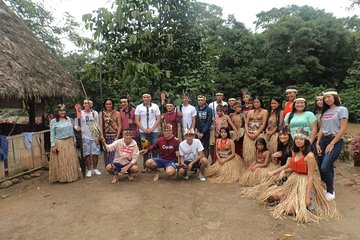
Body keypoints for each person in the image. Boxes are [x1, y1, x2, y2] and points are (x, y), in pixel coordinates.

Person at [257, 128, 339, 223]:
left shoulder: (310, 156)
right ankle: (288, 199)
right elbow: (293, 168)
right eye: (296, 138)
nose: (298, 141)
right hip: (293, 180)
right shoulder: (294, 151)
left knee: (288, 210)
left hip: (304, 183)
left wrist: (307, 196)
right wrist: (284, 171)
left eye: (301, 139)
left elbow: (311, 176)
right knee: (275, 195)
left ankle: (298, 203)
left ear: (306, 141)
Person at [316, 89, 348, 201]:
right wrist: (317, 143)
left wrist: (332, 143)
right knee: (321, 165)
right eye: (325, 98)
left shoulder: (342, 110)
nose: (327, 99)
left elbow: (343, 128)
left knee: (325, 167)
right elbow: (322, 128)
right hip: (323, 140)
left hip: (335, 140)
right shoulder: (325, 112)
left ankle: (330, 190)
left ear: (335, 97)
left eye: (329, 97)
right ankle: (325, 187)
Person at [49, 104, 79, 183]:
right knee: (62, 161)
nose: (62, 112)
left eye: (63, 110)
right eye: (60, 111)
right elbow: (52, 134)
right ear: (58, 112)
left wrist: (74, 140)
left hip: (69, 142)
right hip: (60, 143)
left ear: (65, 111)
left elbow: (72, 131)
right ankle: (62, 177)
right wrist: (53, 145)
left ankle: (71, 176)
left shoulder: (68, 119)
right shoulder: (53, 121)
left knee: (69, 160)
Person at [135, 93, 161, 172]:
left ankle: (154, 165)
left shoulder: (155, 106)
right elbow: (136, 120)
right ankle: (145, 166)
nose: (146, 99)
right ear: (142, 98)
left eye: (148, 97)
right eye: (144, 97)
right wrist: (143, 129)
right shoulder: (139, 107)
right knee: (144, 148)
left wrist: (152, 128)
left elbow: (158, 119)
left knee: (155, 148)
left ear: (150, 98)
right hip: (143, 132)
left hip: (154, 131)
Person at [75, 99, 101, 178]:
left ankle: (95, 168)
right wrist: (77, 128)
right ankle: (89, 169)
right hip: (85, 136)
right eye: (85, 103)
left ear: (91, 105)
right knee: (87, 153)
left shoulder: (94, 113)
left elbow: (97, 125)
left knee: (95, 153)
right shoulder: (80, 113)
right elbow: (76, 124)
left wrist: (97, 136)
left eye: (89, 103)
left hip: (94, 135)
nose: (87, 104)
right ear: (83, 105)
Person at [243, 96, 268, 167]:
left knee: (258, 150)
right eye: (254, 102)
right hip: (249, 134)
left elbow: (264, 124)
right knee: (249, 152)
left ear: (260, 103)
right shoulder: (250, 112)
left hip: (259, 134)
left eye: (257, 102)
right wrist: (247, 133)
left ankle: (258, 166)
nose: (255, 104)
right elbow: (246, 123)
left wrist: (256, 134)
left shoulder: (265, 111)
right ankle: (248, 166)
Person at [99, 98, 121, 166]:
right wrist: (102, 136)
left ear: (112, 105)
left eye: (110, 104)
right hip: (106, 136)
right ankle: (108, 167)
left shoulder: (117, 113)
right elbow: (100, 125)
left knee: (115, 152)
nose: (108, 105)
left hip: (114, 135)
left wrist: (117, 136)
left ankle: (115, 166)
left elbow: (120, 125)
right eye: (107, 104)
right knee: (107, 152)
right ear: (105, 105)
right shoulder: (101, 113)